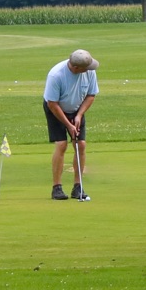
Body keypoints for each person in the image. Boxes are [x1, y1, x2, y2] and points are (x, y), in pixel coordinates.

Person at [43, 48, 100, 200]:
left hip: (77, 108)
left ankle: (77, 187)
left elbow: (91, 95)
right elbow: (52, 103)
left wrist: (79, 115)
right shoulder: (56, 75)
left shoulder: (89, 71)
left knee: (80, 144)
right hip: (56, 108)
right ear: (75, 67)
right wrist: (68, 125)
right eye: (85, 68)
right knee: (62, 144)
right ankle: (57, 188)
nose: (88, 70)